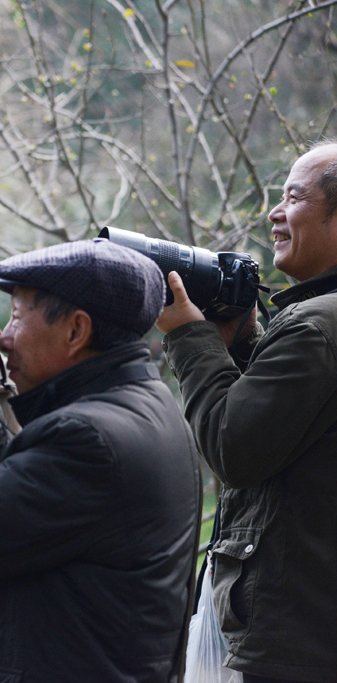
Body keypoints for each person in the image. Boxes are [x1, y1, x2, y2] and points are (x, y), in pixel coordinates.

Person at [0, 239, 202, 681]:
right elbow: (18, 496)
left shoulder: (91, 440)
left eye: (17, 317)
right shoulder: (140, 407)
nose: (6, 338)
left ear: (76, 331)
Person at [157, 141, 337, 683]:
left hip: (293, 643)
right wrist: (238, 345)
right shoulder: (317, 322)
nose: (275, 213)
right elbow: (293, 435)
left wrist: (187, 336)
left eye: (293, 197)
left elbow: (234, 448)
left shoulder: (315, 326)